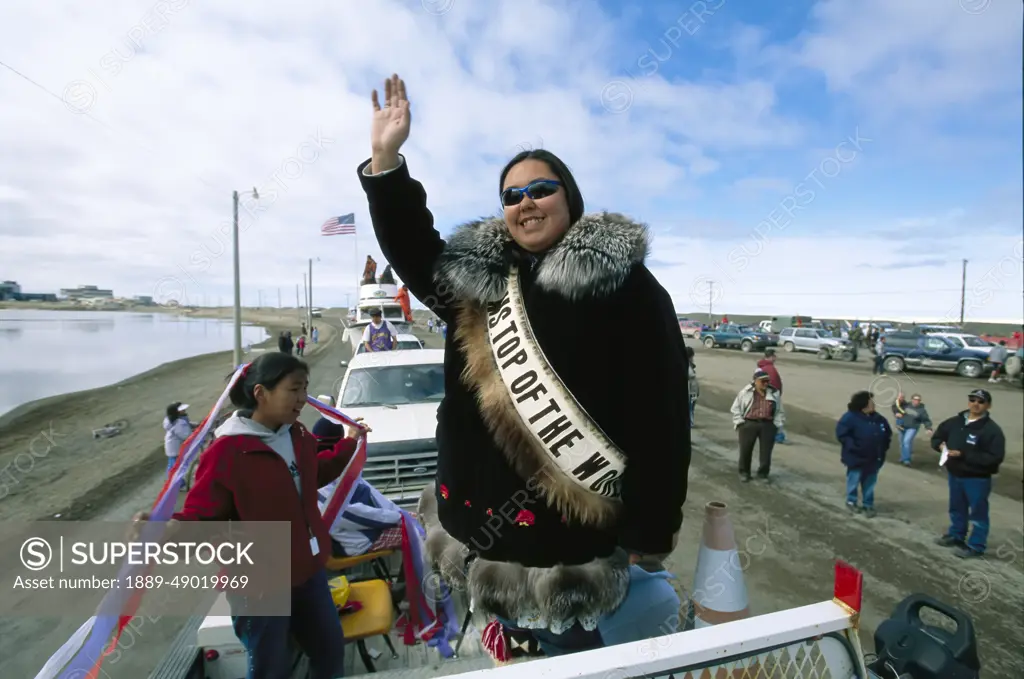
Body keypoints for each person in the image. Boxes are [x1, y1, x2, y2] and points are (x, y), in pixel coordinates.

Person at [356, 74, 689, 658]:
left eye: (540, 188)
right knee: (504, 647)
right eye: (511, 195)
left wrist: (649, 531)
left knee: (572, 655)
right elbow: (412, 247)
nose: (525, 202)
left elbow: (663, 419)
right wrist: (387, 160)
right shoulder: (479, 283)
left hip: (572, 547)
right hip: (476, 531)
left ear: (570, 198)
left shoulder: (630, 289)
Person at [134, 352, 369, 678]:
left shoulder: (296, 434)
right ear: (261, 393)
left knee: (329, 654)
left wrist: (350, 443)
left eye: (306, 389)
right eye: (294, 389)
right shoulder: (227, 452)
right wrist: (170, 528)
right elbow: (203, 515)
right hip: (258, 589)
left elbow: (316, 472)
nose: (303, 399)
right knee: (270, 669)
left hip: (307, 573)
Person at [931, 389, 1005, 558]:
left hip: (977, 478)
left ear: (988, 405)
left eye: (980, 401)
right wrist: (940, 446)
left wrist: (964, 455)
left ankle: (976, 545)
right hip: (955, 474)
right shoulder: (954, 422)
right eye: (972, 400)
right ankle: (956, 535)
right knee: (957, 508)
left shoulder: (992, 430)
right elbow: (937, 437)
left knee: (978, 513)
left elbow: (995, 457)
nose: (975, 404)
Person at [835, 391, 892, 518]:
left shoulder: (879, 419)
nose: (874, 404)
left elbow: (887, 434)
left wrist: (883, 448)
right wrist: (854, 447)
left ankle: (868, 504)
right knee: (854, 480)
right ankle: (851, 501)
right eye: (871, 402)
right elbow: (842, 434)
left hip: (874, 458)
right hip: (856, 457)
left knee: (870, 483)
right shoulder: (850, 418)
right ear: (863, 404)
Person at [320, 476, 403, 558]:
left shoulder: (335, 477)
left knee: (412, 531)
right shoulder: (320, 494)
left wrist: (400, 514)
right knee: (412, 536)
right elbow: (356, 516)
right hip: (361, 541)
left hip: (371, 528)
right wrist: (399, 517)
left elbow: (373, 496)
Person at [730, 369, 784, 483]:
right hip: (749, 423)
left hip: (767, 424)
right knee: (746, 450)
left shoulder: (774, 393)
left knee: (766, 452)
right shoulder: (745, 392)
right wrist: (740, 423)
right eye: (762, 381)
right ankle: (744, 472)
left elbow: (779, 410)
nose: (766, 383)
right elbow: (736, 408)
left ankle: (763, 474)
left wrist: (777, 425)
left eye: (767, 381)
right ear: (755, 381)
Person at [891, 393, 933, 466]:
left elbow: (926, 420)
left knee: (906, 441)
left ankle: (906, 460)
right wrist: (896, 412)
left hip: (912, 428)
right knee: (902, 443)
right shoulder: (906, 405)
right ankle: (903, 457)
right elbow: (896, 406)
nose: (916, 401)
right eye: (915, 399)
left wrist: (928, 428)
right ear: (912, 400)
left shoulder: (922, 411)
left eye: (918, 400)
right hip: (902, 426)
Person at [163, 402, 195, 490]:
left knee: (173, 465)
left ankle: (173, 482)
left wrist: (195, 425)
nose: (184, 410)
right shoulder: (179, 423)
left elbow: (187, 425)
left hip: (172, 446)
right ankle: (178, 485)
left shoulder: (174, 420)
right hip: (175, 447)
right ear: (177, 412)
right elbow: (185, 435)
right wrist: (196, 433)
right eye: (182, 410)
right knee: (176, 467)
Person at [757, 348, 786, 444]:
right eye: (774, 356)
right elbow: (773, 383)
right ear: (771, 357)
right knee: (777, 415)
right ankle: (778, 436)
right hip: (771, 395)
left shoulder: (762, 367)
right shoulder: (769, 369)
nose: (776, 358)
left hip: (767, 395)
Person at [686, 346, 698, 428]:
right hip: (690, 392)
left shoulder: (690, 366)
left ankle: (690, 422)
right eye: (692, 357)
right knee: (690, 409)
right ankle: (690, 423)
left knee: (691, 409)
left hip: (693, 392)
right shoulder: (687, 367)